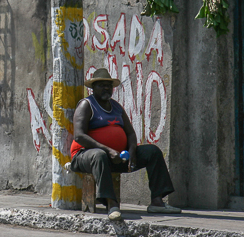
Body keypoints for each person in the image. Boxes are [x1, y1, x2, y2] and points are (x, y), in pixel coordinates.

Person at [69, 68, 181, 221]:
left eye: (109, 85)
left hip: (116, 156)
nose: (106, 88)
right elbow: (79, 136)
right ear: (93, 88)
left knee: (152, 152)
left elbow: (130, 133)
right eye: (101, 85)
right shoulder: (86, 105)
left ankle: (157, 201)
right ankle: (112, 205)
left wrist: (132, 152)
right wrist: (108, 150)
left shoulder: (115, 107)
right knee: (99, 155)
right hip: (85, 156)